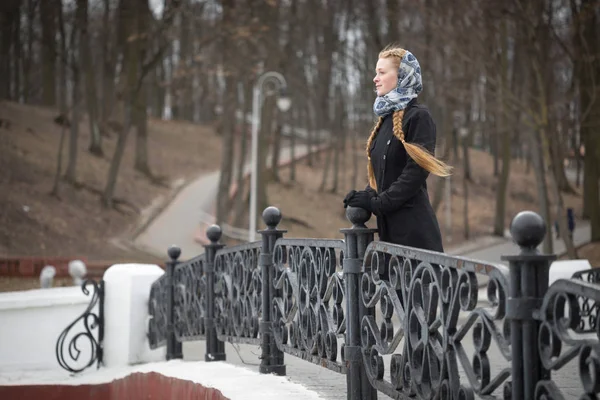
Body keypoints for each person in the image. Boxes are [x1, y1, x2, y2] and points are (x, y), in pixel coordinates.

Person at [343, 46, 451, 252]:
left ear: (401, 76)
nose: (375, 78)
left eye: (381, 72)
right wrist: (365, 195)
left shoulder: (419, 117)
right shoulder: (385, 121)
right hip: (387, 238)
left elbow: (414, 174)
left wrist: (376, 204)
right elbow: (383, 173)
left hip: (415, 237)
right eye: (376, 72)